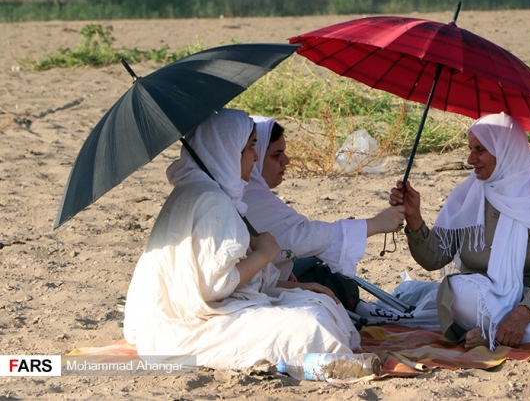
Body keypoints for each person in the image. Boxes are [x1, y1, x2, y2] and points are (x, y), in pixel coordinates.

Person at [123, 109, 360, 370]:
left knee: (320, 301)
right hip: (186, 328)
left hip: (188, 316)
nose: (255, 156)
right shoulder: (212, 202)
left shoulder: (205, 193)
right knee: (311, 324)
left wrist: (294, 287)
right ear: (229, 151)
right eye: (250, 148)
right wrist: (264, 254)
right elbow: (215, 287)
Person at [390, 112, 530, 350]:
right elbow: (434, 259)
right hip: (484, 300)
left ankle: (495, 336)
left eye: (480, 149)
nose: (470, 159)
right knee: (457, 290)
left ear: (506, 151)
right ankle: (511, 334)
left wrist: (522, 313)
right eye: (470, 149)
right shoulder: (465, 196)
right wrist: (414, 217)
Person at [242, 116, 405, 310]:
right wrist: (376, 224)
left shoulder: (246, 193)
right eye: (276, 154)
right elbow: (299, 236)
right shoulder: (243, 198)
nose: (286, 161)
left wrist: (280, 279)